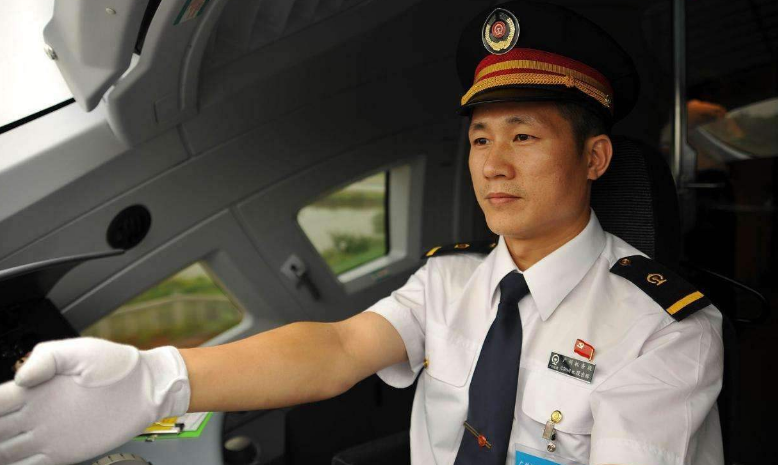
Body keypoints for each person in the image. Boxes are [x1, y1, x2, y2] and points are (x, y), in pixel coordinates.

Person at [0, 2, 723, 465]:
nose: (493, 164)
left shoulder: (663, 330)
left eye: (524, 135)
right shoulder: (449, 281)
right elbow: (337, 349)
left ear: (594, 158)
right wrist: (157, 382)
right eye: (479, 139)